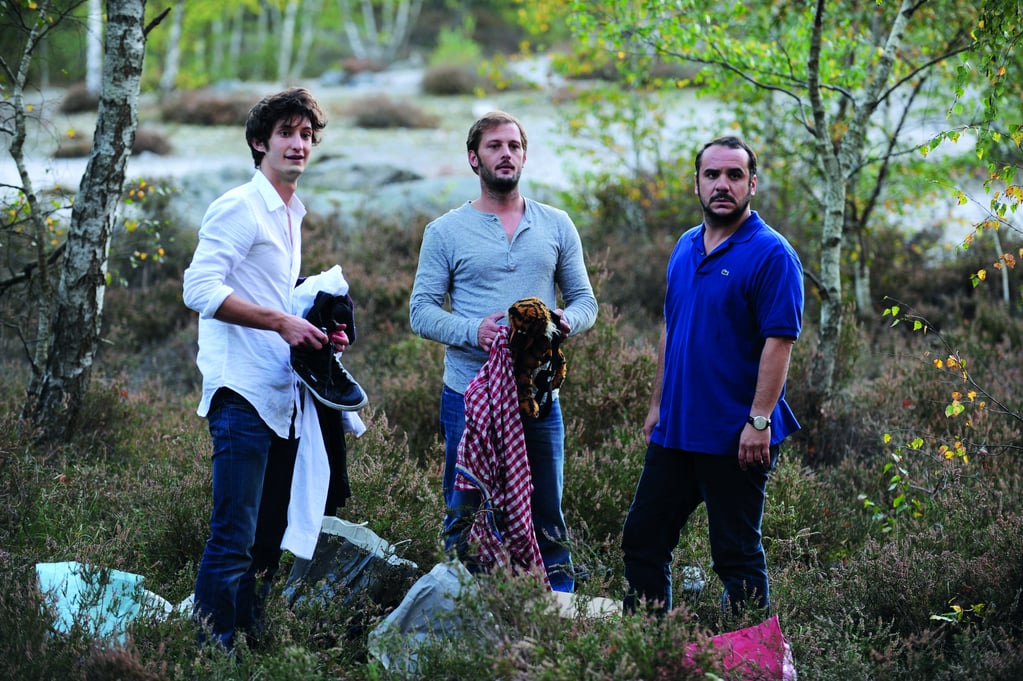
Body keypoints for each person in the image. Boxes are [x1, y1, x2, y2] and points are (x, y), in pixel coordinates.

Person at [409, 110, 598, 592]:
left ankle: (557, 608)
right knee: (465, 509)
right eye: (494, 146)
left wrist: (561, 322)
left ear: (525, 155)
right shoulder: (445, 231)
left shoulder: (556, 224)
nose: (506, 153)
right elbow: (421, 312)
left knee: (546, 510)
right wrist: (477, 332)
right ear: (474, 159)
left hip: (538, 397)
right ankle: (460, 609)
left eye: (514, 145)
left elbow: (585, 301)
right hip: (468, 398)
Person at [182, 87, 342, 649]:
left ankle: (251, 646)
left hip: (282, 398)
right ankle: (209, 655)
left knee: (265, 539)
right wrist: (279, 322)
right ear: (259, 142)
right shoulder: (239, 205)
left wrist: (315, 324)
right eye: (287, 134)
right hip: (240, 395)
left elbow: (270, 293)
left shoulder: (289, 212)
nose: (299, 145)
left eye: (306, 135)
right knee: (232, 537)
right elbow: (198, 288)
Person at [621, 135, 804, 616]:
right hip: (676, 432)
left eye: (735, 175)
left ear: (752, 184)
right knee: (643, 539)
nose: (723, 185)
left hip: (735, 435)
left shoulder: (772, 254)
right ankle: (647, 650)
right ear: (697, 183)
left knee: (736, 557)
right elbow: (672, 328)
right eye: (712, 175)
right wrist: (658, 404)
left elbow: (779, 342)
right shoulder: (685, 246)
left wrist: (759, 421)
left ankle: (749, 663)